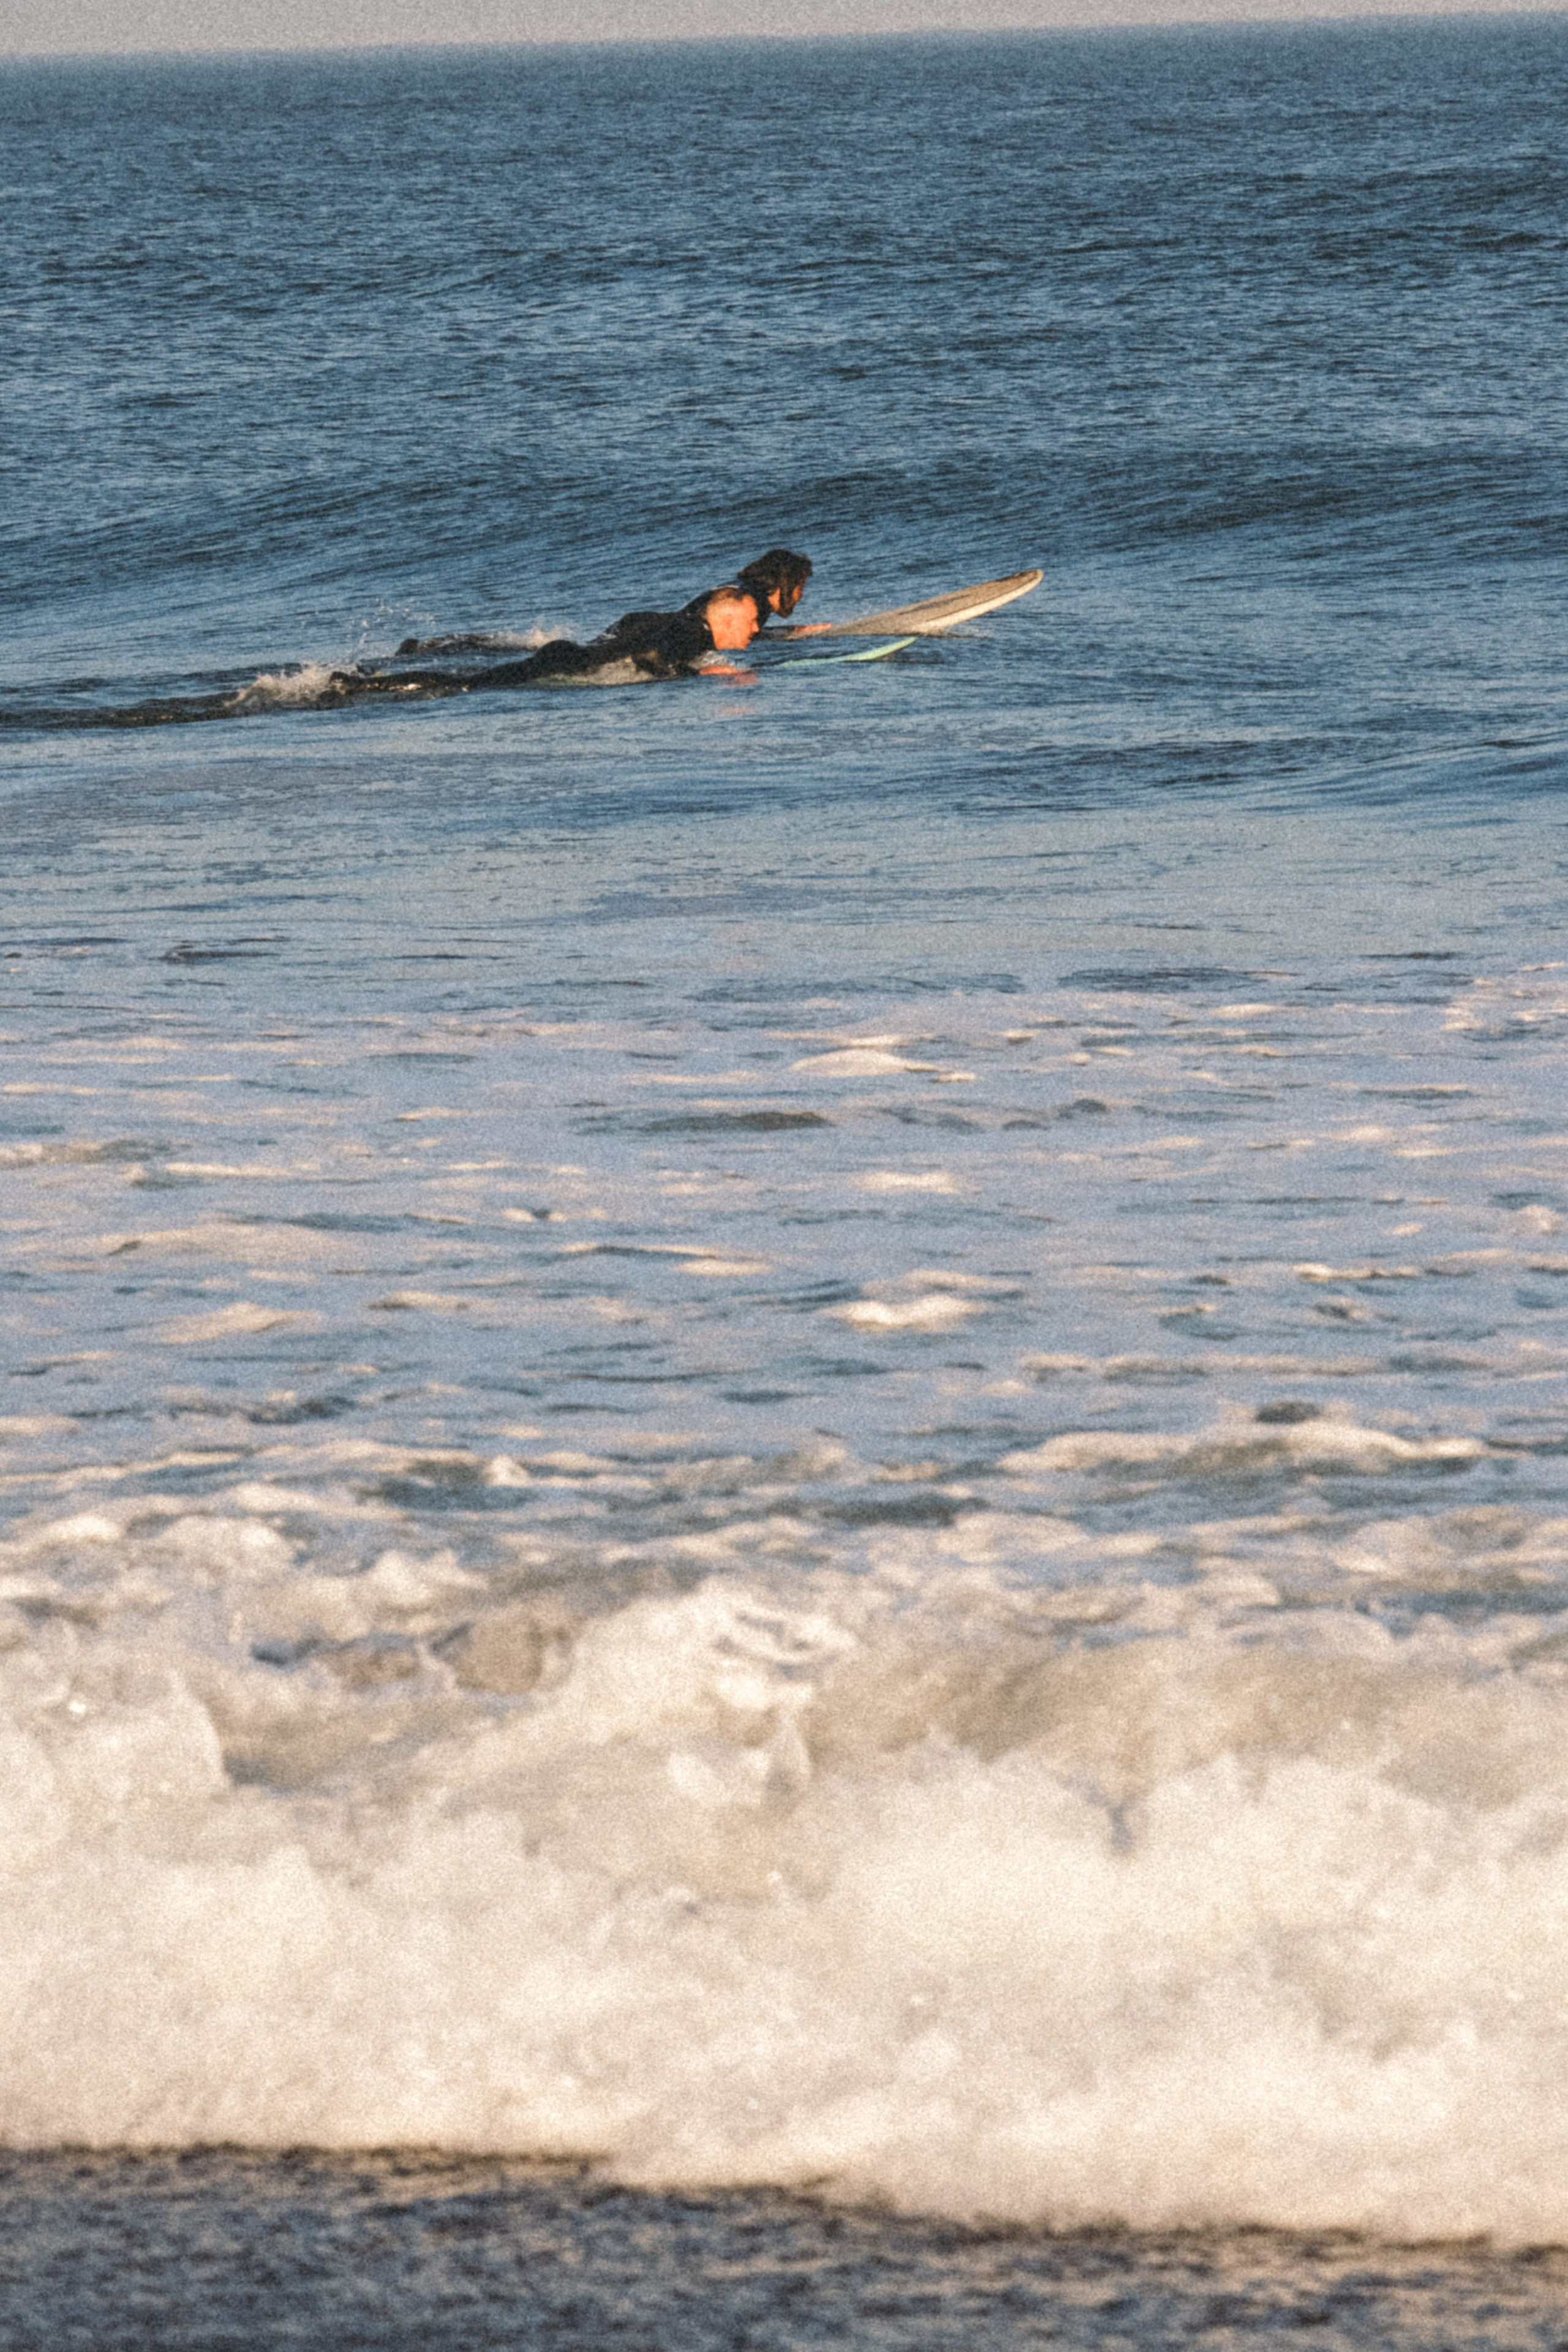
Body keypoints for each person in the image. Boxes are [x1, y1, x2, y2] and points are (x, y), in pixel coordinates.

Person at [324, 582, 765, 703]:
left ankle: (374, 681)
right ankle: (359, 688)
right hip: (568, 665)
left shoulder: (669, 619)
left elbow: (629, 626)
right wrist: (696, 673)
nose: (757, 629)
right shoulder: (690, 633)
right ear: (722, 615)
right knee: (466, 686)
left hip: (569, 654)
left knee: (471, 678)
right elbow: (653, 657)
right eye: (749, 619)